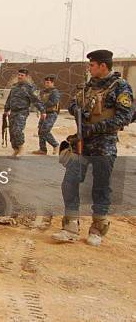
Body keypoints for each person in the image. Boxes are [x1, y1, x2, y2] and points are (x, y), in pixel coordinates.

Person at [52, 50, 133, 246]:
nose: (89, 68)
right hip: (82, 143)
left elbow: (125, 117)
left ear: (103, 66)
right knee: (70, 181)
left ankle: (98, 228)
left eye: (92, 65)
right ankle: (70, 225)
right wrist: (78, 110)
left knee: (101, 186)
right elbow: (72, 103)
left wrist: (95, 127)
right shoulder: (87, 86)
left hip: (104, 145)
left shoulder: (120, 87)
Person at [3, 68, 45, 157]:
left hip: (22, 112)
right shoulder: (14, 87)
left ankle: (21, 148)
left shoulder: (29, 88)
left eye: (22, 75)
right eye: (19, 75)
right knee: (12, 132)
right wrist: (6, 110)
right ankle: (15, 149)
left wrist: (42, 111)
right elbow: (9, 99)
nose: (20, 77)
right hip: (13, 112)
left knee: (17, 130)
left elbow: (36, 100)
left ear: (26, 77)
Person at [32, 75, 61, 155]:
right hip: (44, 113)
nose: (46, 84)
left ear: (52, 83)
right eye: (46, 83)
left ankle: (55, 145)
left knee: (45, 130)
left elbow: (53, 102)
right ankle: (42, 149)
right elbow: (39, 101)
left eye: (48, 83)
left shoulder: (55, 92)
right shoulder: (43, 92)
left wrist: (42, 105)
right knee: (40, 131)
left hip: (52, 113)